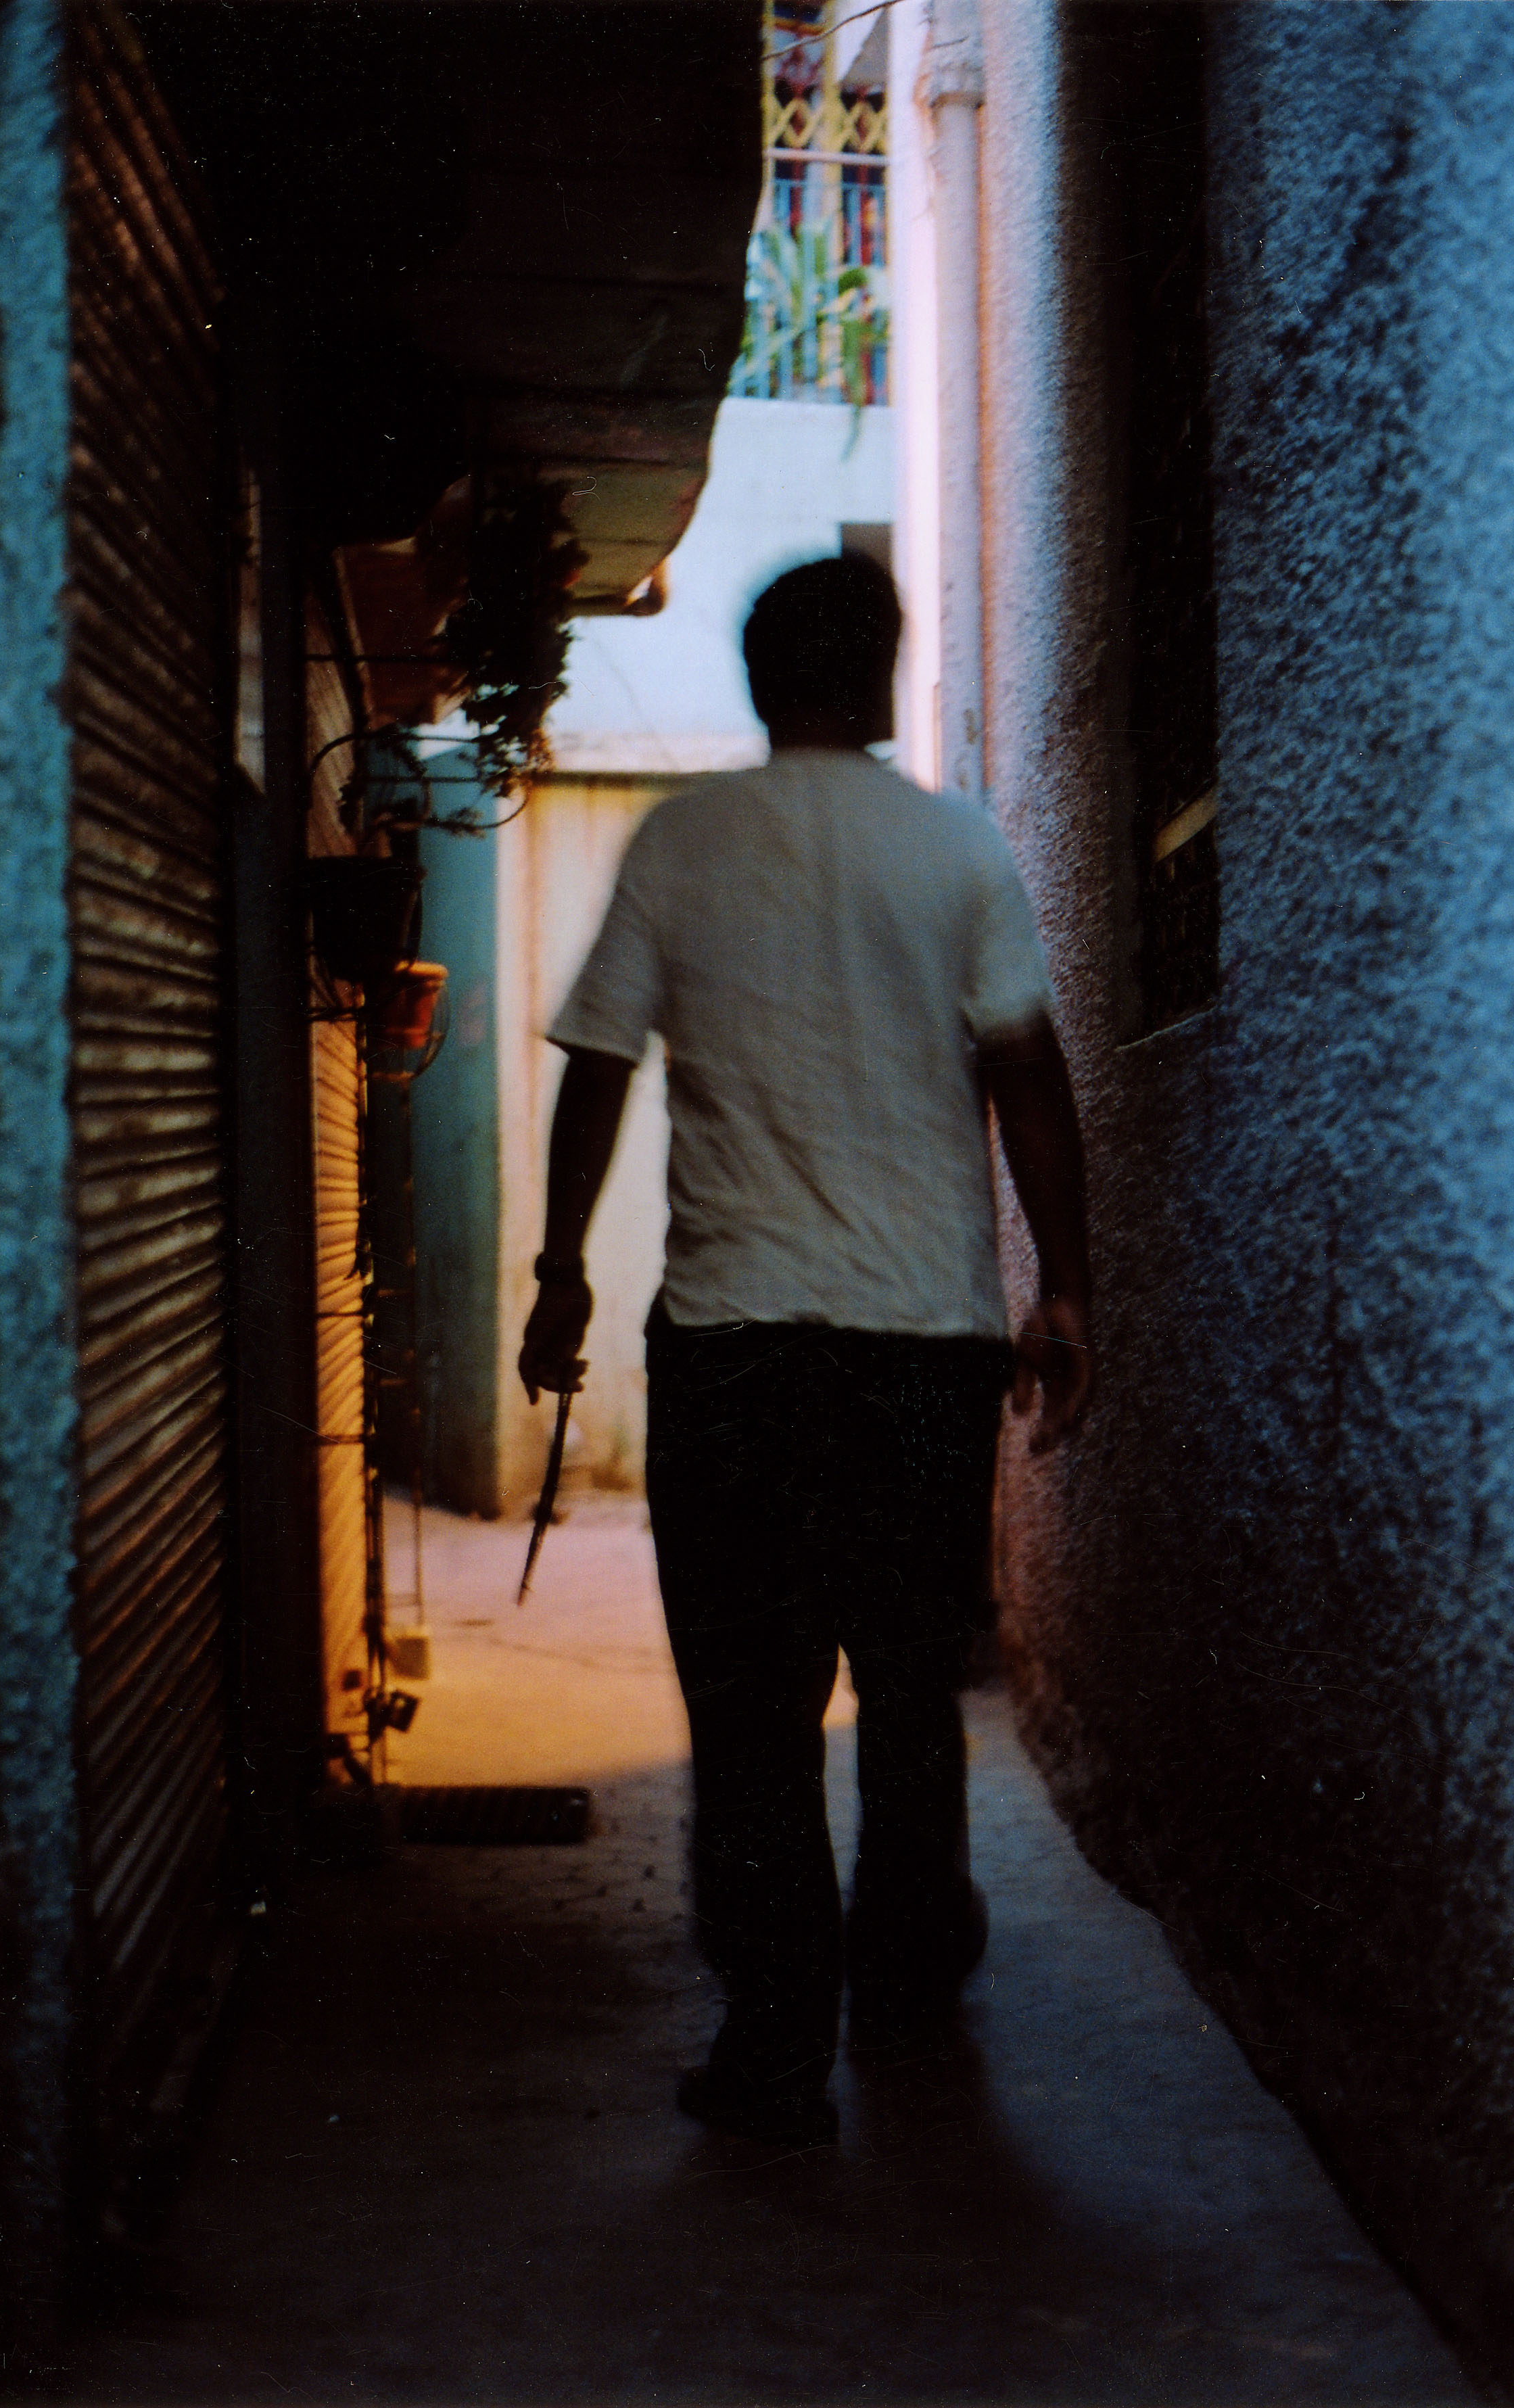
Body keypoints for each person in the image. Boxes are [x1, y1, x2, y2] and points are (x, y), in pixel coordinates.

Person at [519, 554, 1093, 2146]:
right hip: (923, 1345)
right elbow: (1029, 1069)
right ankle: (907, 1982)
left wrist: (562, 1273)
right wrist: (1070, 1288)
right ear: (886, 673)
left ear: (761, 680)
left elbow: (596, 1063)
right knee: (910, 1680)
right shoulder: (957, 843)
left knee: (752, 1700)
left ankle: (776, 2037)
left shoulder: (683, 842)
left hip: (737, 1348)